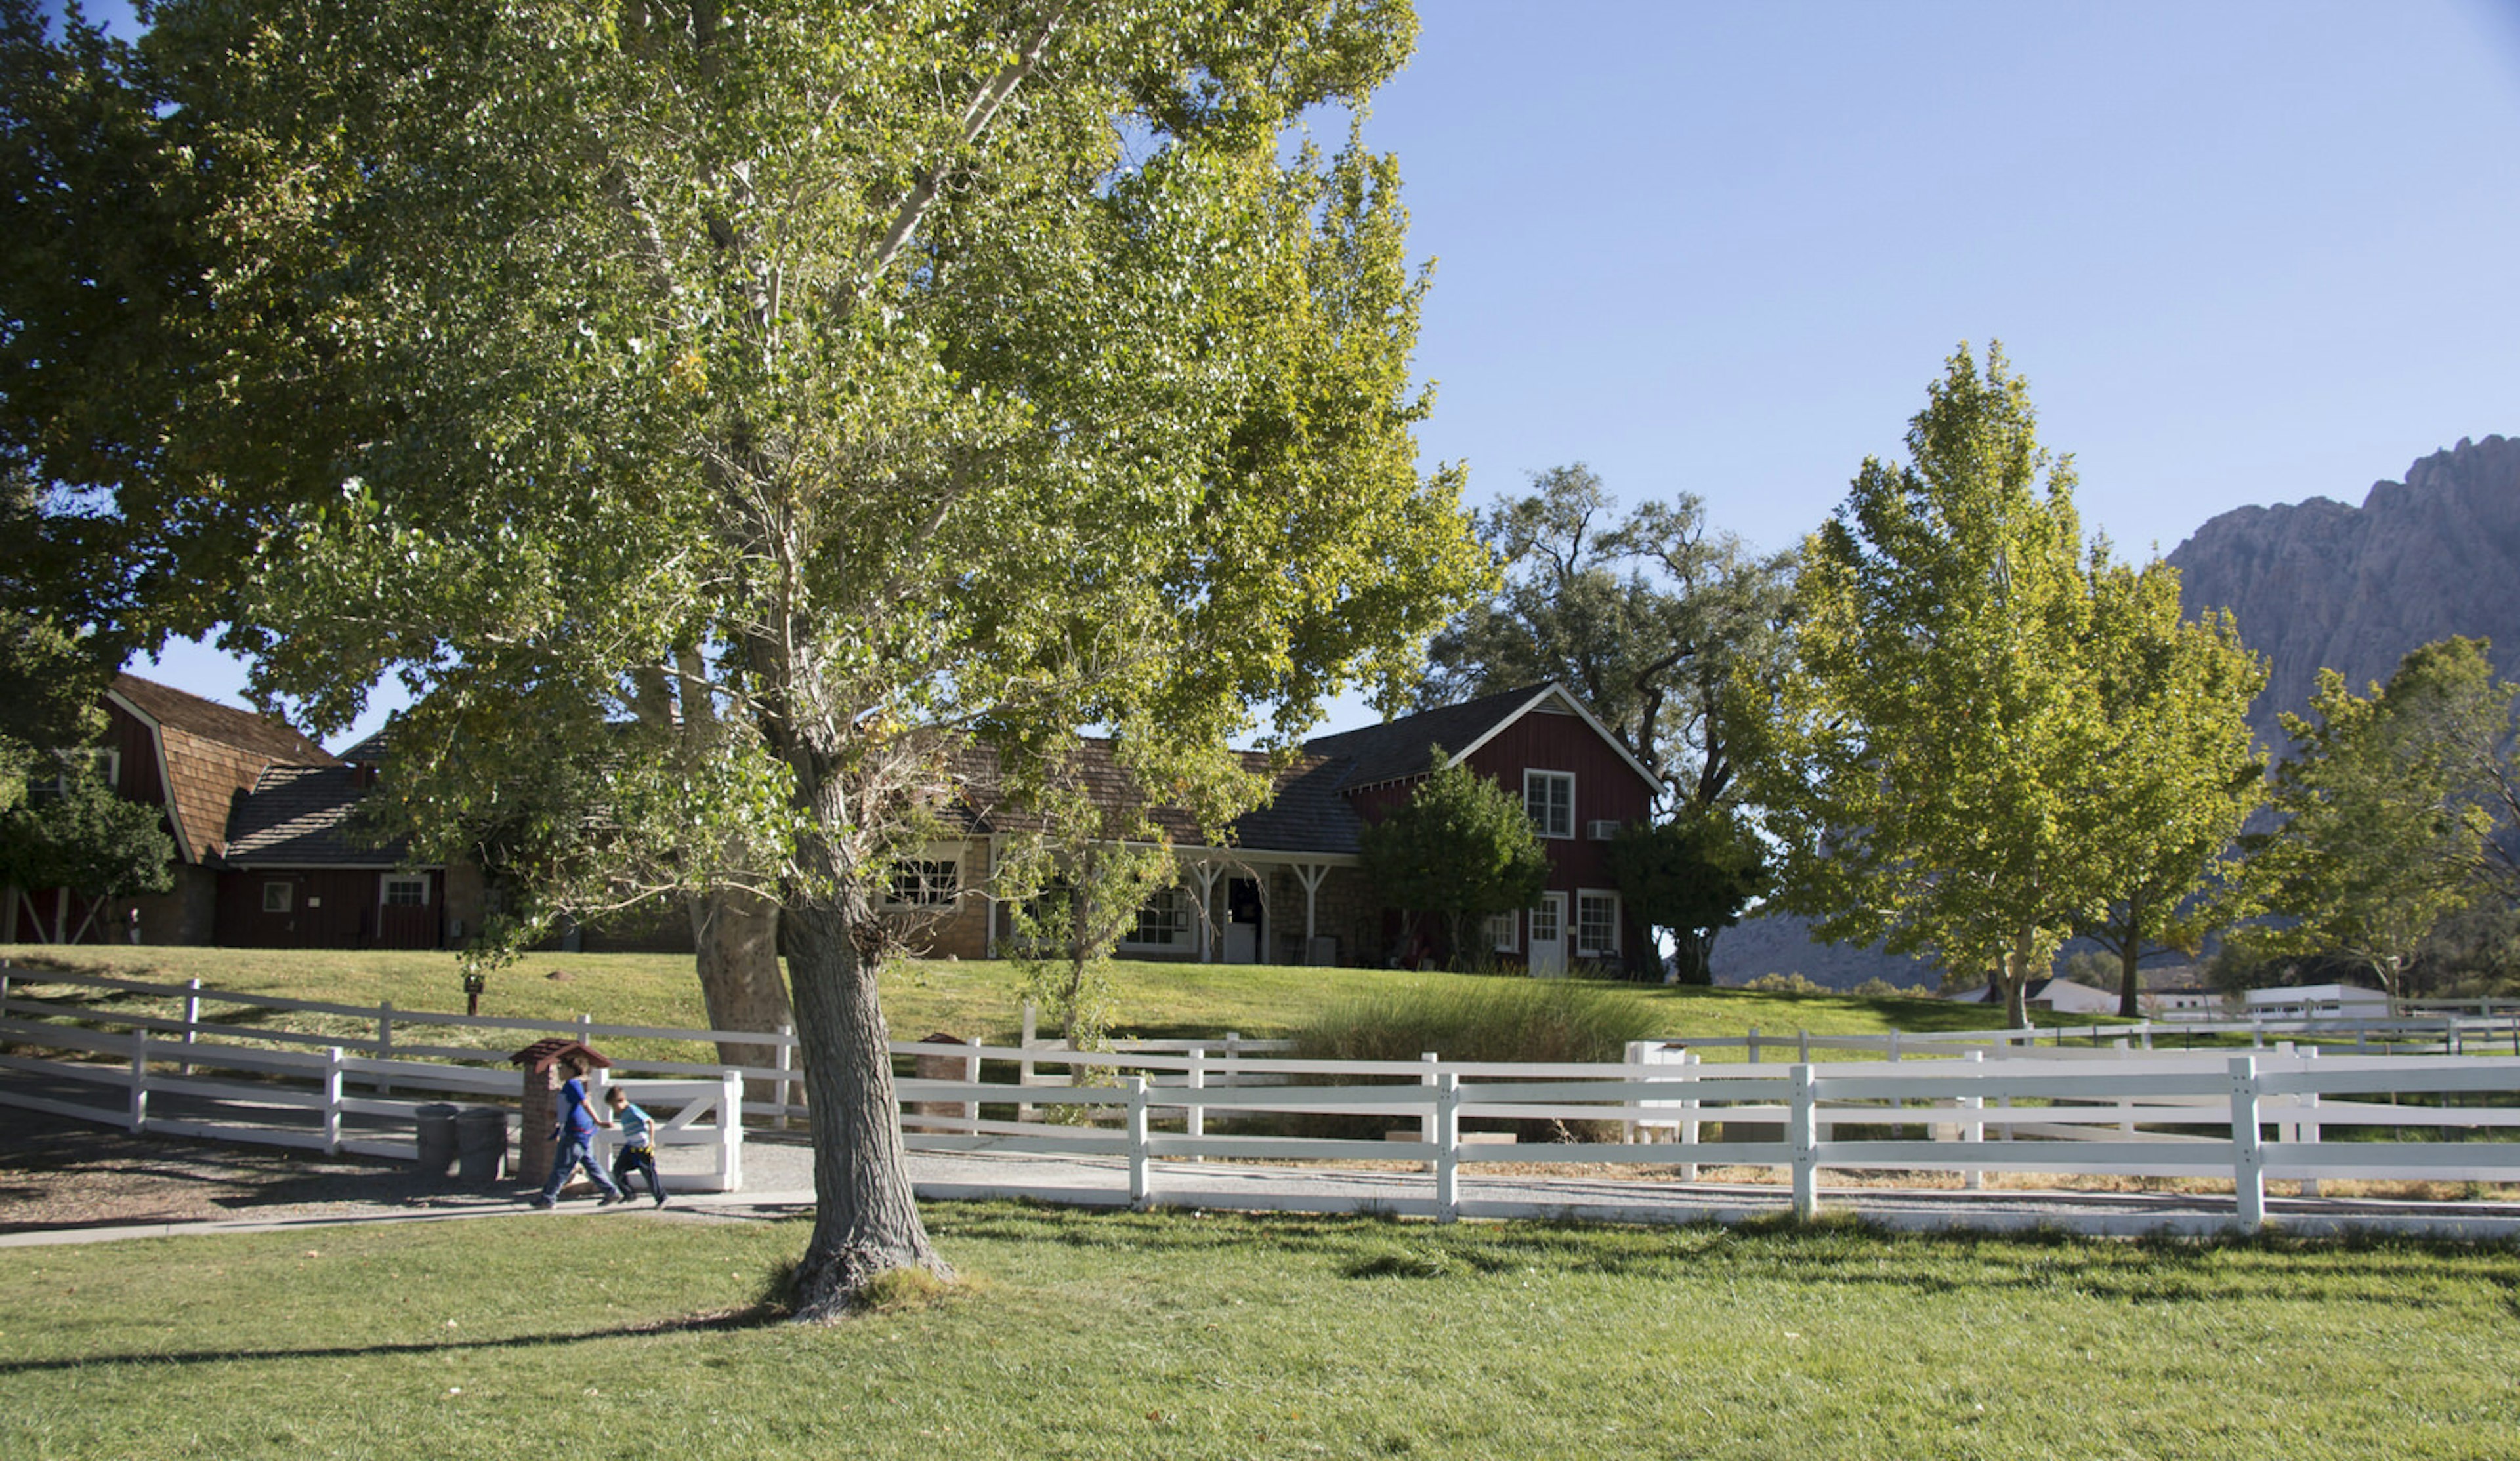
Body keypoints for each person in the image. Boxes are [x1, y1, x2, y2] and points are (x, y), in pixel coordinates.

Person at [532, 1057, 625, 1208]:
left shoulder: (572, 1084)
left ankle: (548, 1198)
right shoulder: (571, 1085)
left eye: (562, 1068)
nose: (560, 1070)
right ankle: (611, 1192)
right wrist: (555, 1115)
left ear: (571, 1070)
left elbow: (584, 1103)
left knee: (562, 1166)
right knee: (590, 1164)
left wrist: (599, 1121)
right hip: (581, 1130)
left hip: (575, 1132)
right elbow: (572, 1107)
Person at [606, 1086, 667, 1207]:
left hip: (642, 1147)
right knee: (618, 1169)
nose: (614, 1110)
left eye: (614, 1106)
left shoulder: (632, 1110)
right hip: (631, 1147)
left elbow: (650, 1121)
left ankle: (662, 1198)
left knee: (649, 1174)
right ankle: (629, 1194)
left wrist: (651, 1141)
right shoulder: (623, 1113)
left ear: (621, 1100)